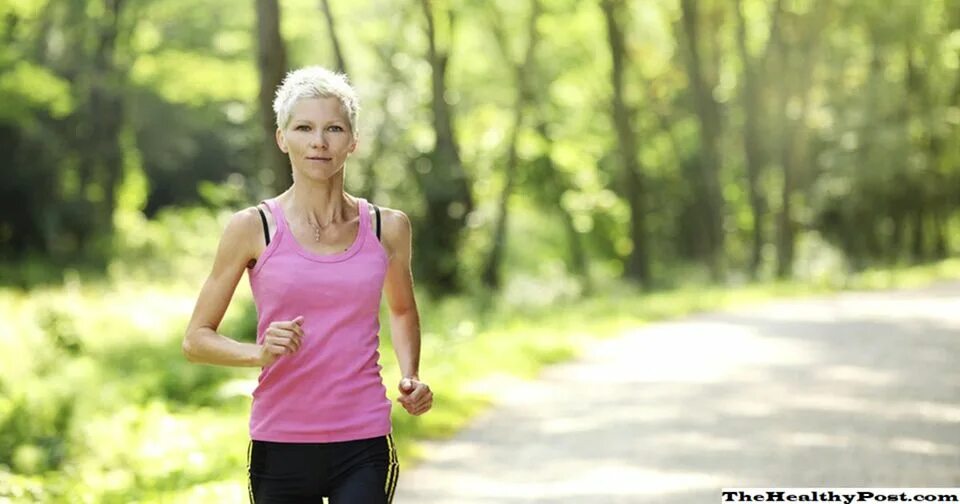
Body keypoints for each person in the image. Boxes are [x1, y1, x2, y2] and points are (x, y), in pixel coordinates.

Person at [182, 66, 432, 503]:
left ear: (352, 141)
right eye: (304, 128)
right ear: (283, 138)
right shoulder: (252, 228)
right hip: (280, 442)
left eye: (334, 128)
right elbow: (196, 340)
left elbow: (402, 309)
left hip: (364, 439)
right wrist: (258, 353)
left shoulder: (386, 227)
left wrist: (410, 376)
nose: (319, 141)